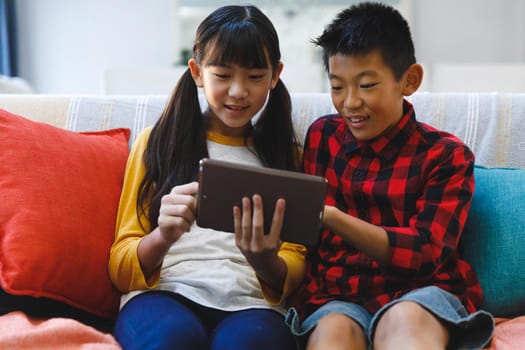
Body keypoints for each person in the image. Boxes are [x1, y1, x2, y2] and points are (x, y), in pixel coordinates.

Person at [284, 2, 495, 350]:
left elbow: (423, 253)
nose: (350, 102)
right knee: (333, 333)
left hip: (423, 292)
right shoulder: (322, 137)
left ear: (409, 80)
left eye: (366, 85)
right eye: (337, 86)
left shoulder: (445, 155)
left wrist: (334, 218)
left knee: (404, 322)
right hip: (339, 295)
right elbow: (306, 243)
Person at [108, 5, 306, 350]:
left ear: (275, 75)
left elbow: (295, 270)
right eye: (223, 75)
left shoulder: (287, 156)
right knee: (173, 339)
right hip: (164, 295)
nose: (238, 91)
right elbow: (120, 267)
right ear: (197, 72)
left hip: (252, 305)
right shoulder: (156, 144)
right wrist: (163, 236)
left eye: (255, 77)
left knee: (247, 344)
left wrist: (263, 260)